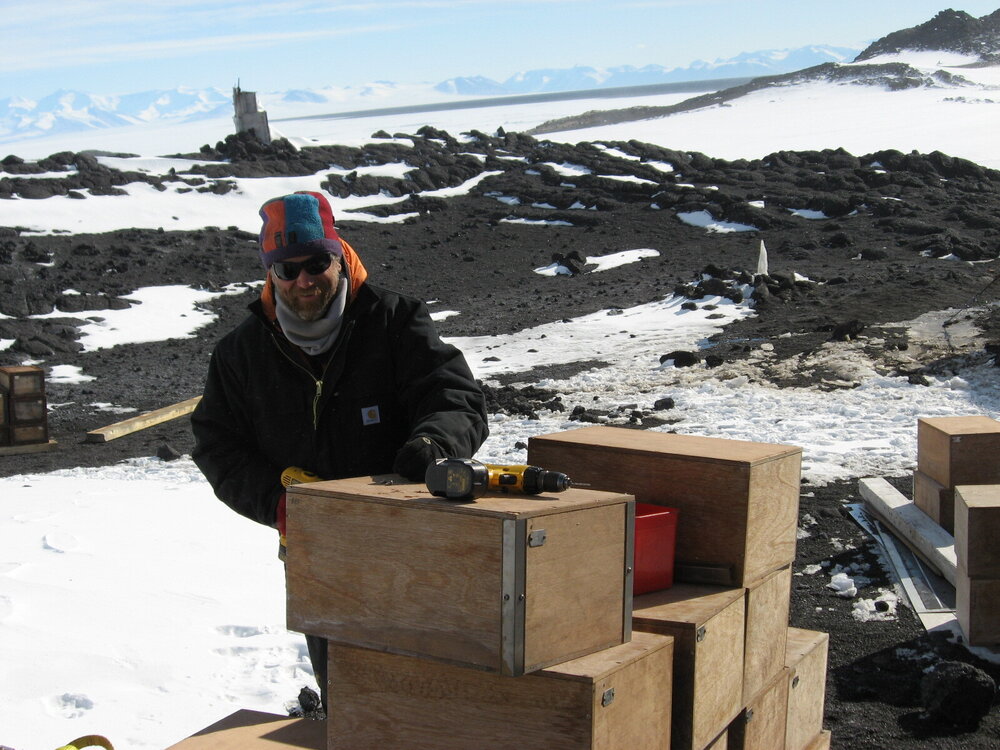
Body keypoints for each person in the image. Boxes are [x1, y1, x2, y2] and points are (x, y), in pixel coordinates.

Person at [190, 190, 489, 711]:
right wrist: (277, 503)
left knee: (433, 691)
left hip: (414, 540)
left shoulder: (394, 320)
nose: (303, 280)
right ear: (271, 274)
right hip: (318, 552)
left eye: (316, 263)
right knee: (350, 694)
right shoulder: (241, 352)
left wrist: (433, 443)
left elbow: (455, 397)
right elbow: (217, 444)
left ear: (339, 256)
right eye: (287, 269)